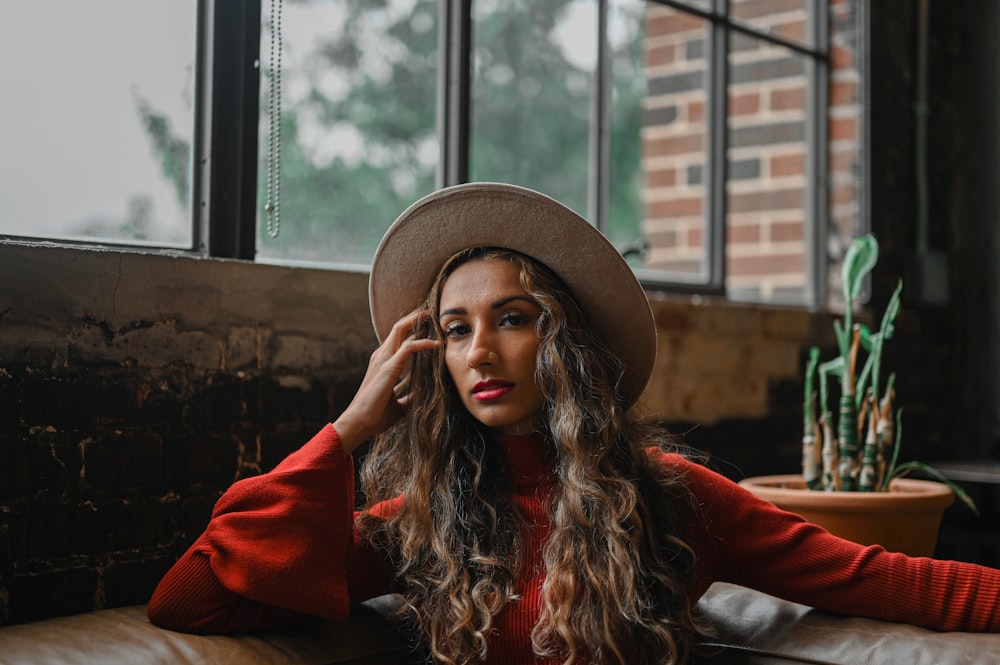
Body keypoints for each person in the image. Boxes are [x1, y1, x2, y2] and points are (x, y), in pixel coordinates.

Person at [148, 183, 1000, 664]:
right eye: (455, 328)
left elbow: (890, 579)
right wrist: (350, 428)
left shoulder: (672, 499)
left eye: (512, 318)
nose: (480, 349)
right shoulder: (422, 523)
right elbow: (189, 596)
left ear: (565, 338)